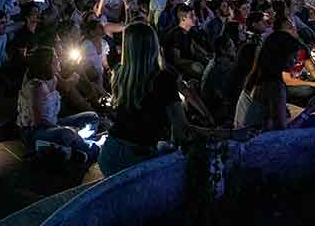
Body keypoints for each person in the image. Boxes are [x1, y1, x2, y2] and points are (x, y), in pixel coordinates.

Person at [99, 23, 249, 176]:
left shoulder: (119, 74)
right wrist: (230, 134)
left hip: (109, 154)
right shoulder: (162, 79)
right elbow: (183, 131)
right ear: (154, 45)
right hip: (134, 160)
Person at [16, 46, 101, 165]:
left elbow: (67, 86)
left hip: (54, 123)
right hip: (34, 131)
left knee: (92, 117)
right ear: (47, 64)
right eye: (55, 58)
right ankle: (85, 148)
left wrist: (76, 70)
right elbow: (38, 122)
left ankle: (70, 148)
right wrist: (64, 129)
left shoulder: (53, 77)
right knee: (66, 133)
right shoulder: (36, 87)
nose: (59, 60)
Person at [234, 31, 315, 131]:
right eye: (294, 57)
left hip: (244, 133)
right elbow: (281, 132)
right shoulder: (274, 85)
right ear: (281, 57)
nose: (296, 61)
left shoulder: (256, 76)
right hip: (258, 141)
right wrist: (309, 110)